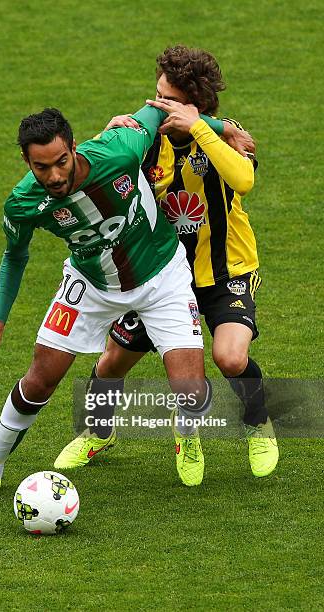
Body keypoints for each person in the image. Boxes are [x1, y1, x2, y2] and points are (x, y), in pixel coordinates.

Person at [0, 97, 244, 502]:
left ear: (74, 147)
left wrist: (221, 127)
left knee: (191, 392)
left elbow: (162, 110)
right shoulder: (22, 204)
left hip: (162, 274)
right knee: (40, 380)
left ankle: (185, 430)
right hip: (91, 284)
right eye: (41, 167)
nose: (54, 175)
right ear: (26, 160)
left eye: (61, 162)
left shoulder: (120, 148)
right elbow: (14, 256)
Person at [54, 46, 279, 482]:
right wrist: (109, 135)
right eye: (154, 94)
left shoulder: (224, 138)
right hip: (161, 276)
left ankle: (258, 422)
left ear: (196, 104)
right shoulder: (144, 136)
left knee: (230, 357)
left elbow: (245, 180)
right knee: (110, 363)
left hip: (225, 271)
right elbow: (92, 172)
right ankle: (99, 433)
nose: (154, 105)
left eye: (167, 99)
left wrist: (206, 129)